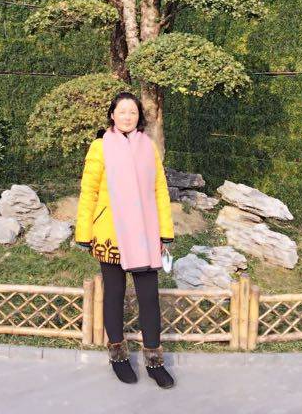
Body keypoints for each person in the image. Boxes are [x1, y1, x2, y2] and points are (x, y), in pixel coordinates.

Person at [74, 92, 175, 388]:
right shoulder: (100, 146)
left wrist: (165, 231)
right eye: (122, 111)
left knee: (149, 297)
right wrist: (84, 233)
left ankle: (154, 361)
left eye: (133, 112)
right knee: (114, 295)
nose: (127, 116)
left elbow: (160, 190)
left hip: (144, 233)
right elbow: (89, 192)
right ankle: (118, 356)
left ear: (139, 116)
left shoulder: (148, 147)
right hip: (110, 233)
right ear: (112, 115)